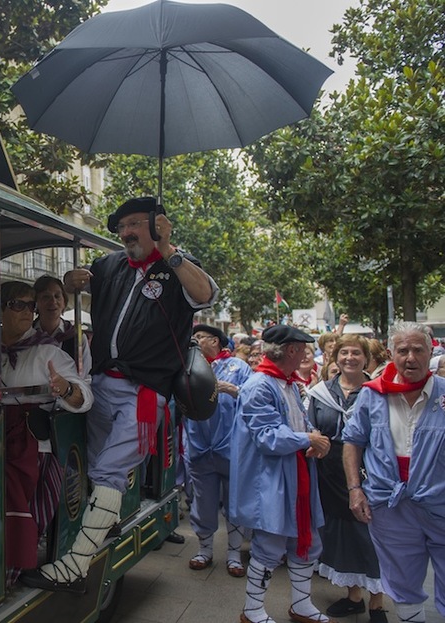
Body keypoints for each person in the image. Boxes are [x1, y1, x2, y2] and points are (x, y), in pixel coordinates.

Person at [20, 196, 217, 593]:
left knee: (109, 469)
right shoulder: (108, 265)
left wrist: (170, 253)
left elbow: (207, 295)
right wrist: (74, 281)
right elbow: (80, 284)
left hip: (144, 395)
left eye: (134, 225)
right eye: (122, 227)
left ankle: (76, 567)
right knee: (96, 467)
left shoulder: (177, 265)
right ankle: (103, 523)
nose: (125, 233)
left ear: (158, 225)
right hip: (100, 387)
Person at [0, 281, 92, 586]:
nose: (28, 311)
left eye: (30, 305)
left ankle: (16, 566)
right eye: (18, 305)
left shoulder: (46, 353)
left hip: (31, 444)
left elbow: (84, 396)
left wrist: (65, 389)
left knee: (31, 474)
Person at [229, 325, 334, 623]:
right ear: (291, 350)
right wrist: (308, 440)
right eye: (302, 349)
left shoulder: (285, 383)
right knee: (270, 546)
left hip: (295, 474)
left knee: (307, 542)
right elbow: (267, 436)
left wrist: (311, 437)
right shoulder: (260, 385)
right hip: (272, 479)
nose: (305, 354)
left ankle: (301, 605)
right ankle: (252, 611)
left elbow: (295, 423)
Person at [343, 322, 445, 623]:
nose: (410, 358)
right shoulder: (372, 395)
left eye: (418, 349)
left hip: (440, 503)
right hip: (389, 505)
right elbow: (352, 441)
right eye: (403, 350)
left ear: (431, 351)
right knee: (401, 580)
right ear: (391, 353)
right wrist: (355, 489)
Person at [307, 334, 386, 622]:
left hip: (371, 471)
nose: (349, 358)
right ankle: (354, 597)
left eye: (356, 353)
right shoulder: (320, 393)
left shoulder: (379, 391)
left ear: (367, 359)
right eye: (344, 353)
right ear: (335, 358)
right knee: (342, 535)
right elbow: (312, 427)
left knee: (371, 536)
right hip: (330, 474)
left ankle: (377, 602)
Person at [185, 324, 252, 578]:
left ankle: (234, 554)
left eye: (200, 337)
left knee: (234, 501)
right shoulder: (190, 366)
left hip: (232, 447)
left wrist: (234, 390)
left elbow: (253, 398)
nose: (196, 340)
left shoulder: (238, 367)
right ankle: (204, 550)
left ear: (215, 340)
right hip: (200, 447)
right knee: (203, 501)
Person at [32, 275, 92, 376]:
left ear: (64, 302)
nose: (53, 302)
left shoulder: (77, 338)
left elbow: (84, 375)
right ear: (36, 303)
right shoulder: (27, 334)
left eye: (57, 296)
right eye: (46, 297)